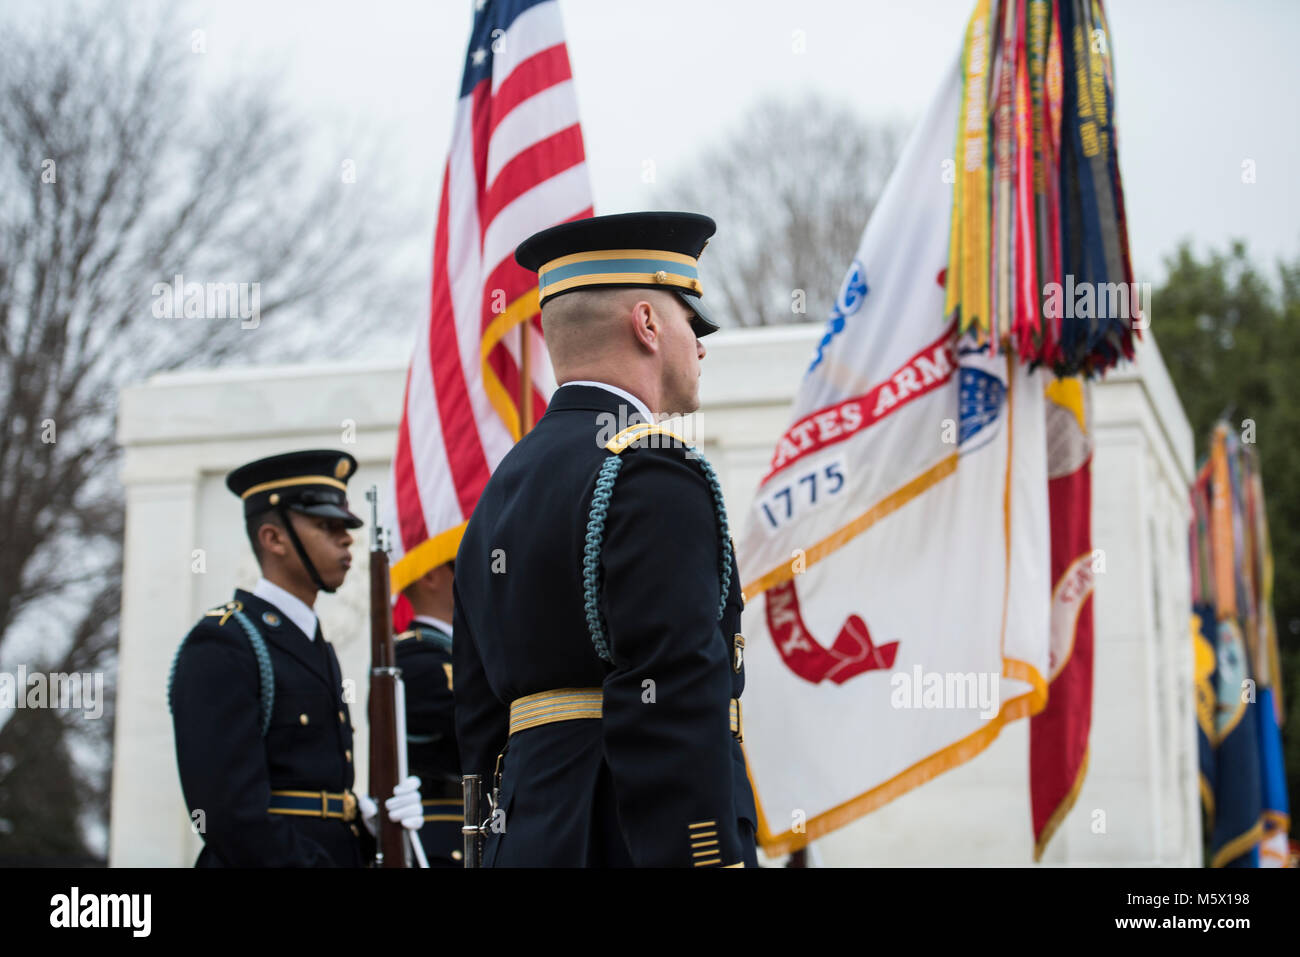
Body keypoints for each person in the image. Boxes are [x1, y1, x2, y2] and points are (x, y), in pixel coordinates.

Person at [453, 211, 758, 867]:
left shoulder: (502, 490)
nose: (700, 346)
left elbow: (479, 724)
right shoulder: (651, 470)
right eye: (689, 322)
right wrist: (707, 857)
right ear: (647, 324)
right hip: (625, 842)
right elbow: (672, 695)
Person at [168, 449, 424, 866]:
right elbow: (229, 815)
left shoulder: (311, 643)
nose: (347, 538)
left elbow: (318, 794)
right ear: (273, 538)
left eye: (347, 526)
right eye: (328, 526)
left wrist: (367, 825)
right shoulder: (224, 643)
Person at [394, 562, 463, 866]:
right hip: (442, 833)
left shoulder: (460, 654)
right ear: (429, 575)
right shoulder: (418, 661)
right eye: (459, 565)